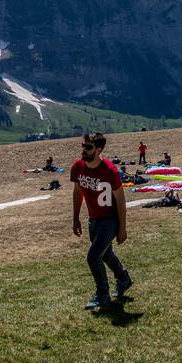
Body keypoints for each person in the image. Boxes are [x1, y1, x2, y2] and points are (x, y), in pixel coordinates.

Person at [70, 132, 132, 311]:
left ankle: (102, 295)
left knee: (93, 257)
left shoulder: (110, 171)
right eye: (82, 146)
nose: (83, 150)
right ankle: (123, 278)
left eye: (88, 147)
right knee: (105, 254)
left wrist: (122, 228)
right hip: (94, 219)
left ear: (99, 149)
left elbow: (120, 200)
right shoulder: (78, 167)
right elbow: (77, 192)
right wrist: (75, 219)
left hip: (109, 220)